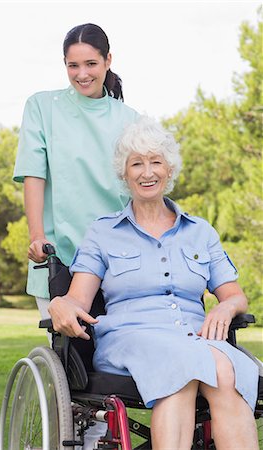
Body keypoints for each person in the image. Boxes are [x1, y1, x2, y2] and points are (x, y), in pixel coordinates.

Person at [48, 116, 260, 450]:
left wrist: (226, 306)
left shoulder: (200, 232)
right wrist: (60, 304)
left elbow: (234, 295)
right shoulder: (103, 232)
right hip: (130, 339)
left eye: (156, 162)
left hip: (195, 339)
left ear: (169, 169)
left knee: (223, 369)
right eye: (137, 164)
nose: (147, 172)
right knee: (198, 363)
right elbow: (78, 300)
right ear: (125, 173)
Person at [13, 23, 139, 321]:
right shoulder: (42, 107)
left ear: (108, 60)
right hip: (59, 256)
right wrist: (36, 236)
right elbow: (34, 174)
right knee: (70, 353)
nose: (82, 74)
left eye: (91, 64)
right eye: (73, 65)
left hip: (118, 258)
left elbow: (140, 189)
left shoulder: (129, 119)